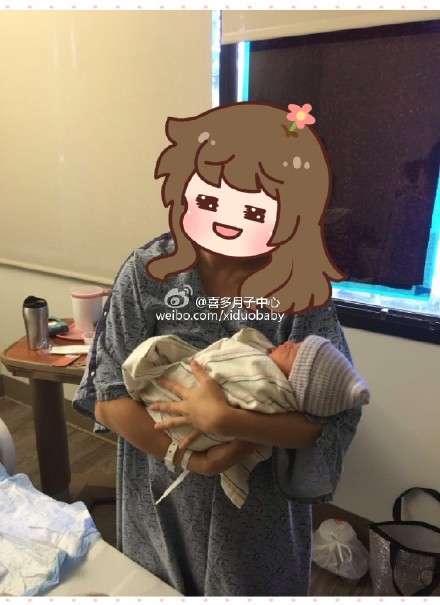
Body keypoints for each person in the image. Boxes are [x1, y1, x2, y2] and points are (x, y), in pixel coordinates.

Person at [73, 102, 363, 596]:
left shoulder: (297, 288)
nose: (228, 219)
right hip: (160, 493)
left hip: (258, 513)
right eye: (210, 198)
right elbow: (108, 398)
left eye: (254, 209)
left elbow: (329, 421)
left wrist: (229, 422)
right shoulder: (148, 274)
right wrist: (193, 459)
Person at [121, 327, 370, 508]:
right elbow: (105, 401)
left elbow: (336, 426)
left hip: (262, 508)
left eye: (298, 353)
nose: (291, 343)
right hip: (161, 481)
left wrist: (225, 420)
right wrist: (201, 460)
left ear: (297, 381)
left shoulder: (267, 381)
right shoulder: (140, 278)